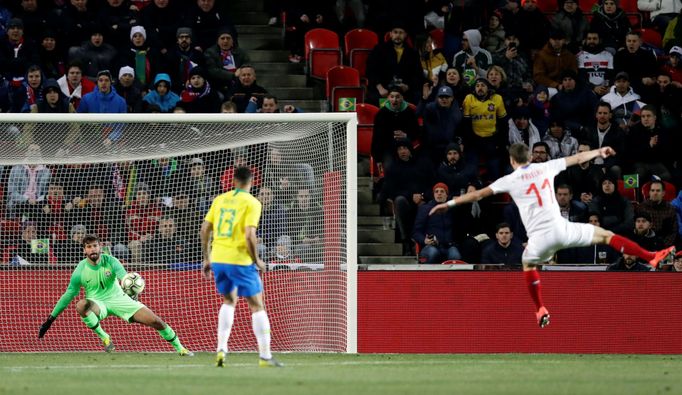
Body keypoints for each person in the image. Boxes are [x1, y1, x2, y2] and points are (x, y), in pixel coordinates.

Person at [430, 143, 676, 328]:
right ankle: (650, 256)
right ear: (529, 157)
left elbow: (478, 195)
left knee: (528, 264)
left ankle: (539, 308)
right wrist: (599, 152)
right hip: (563, 229)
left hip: (539, 239)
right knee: (606, 236)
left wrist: (449, 203)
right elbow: (578, 157)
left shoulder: (510, 178)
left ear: (512, 161)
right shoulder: (545, 166)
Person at [38, 234, 193, 356]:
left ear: (100, 247)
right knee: (81, 305)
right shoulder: (80, 270)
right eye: (88, 247)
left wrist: (132, 294)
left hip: (120, 299)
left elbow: (124, 278)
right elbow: (68, 295)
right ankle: (105, 337)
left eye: (95, 246)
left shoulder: (111, 261)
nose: (92, 249)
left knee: (156, 321)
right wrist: (50, 319)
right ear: (84, 250)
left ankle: (181, 348)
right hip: (98, 303)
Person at [200, 166, 283, 368]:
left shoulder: (219, 199)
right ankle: (265, 356)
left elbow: (204, 228)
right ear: (251, 182)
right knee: (256, 306)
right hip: (239, 259)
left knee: (229, 301)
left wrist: (207, 257)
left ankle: (221, 349)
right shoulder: (252, 202)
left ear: (234, 181)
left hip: (219, 258)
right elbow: (249, 235)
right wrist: (257, 260)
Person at [412, 183, 462, 263]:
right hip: (430, 246)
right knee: (432, 253)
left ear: (447, 195)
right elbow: (416, 232)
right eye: (436, 191)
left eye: (442, 191)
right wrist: (424, 240)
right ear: (433, 194)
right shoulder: (425, 209)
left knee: (455, 255)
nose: (439, 193)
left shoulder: (452, 209)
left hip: (449, 246)